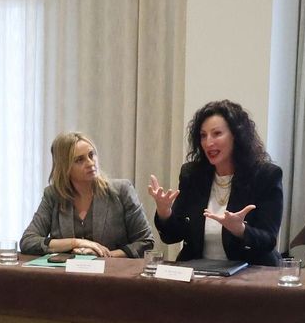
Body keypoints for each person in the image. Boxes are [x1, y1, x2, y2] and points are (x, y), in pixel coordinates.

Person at [147, 100, 285, 266]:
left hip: (248, 275)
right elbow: (172, 236)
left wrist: (240, 230)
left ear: (236, 135)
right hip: (197, 274)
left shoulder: (265, 176)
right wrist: (165, 212)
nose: (208, 142)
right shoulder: (192, 174)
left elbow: (268, 240)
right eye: (203, 135)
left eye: (217, 133)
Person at [19, 132, 154, 258]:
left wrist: (103, 255)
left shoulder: (121, 191)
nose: (90, 163)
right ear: (65, 168)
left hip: (113, 276)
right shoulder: (53, 195)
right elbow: (28, 241)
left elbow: (145, 241)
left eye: (91, 155)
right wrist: (76, 243)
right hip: (67, 278)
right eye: (79, 160)